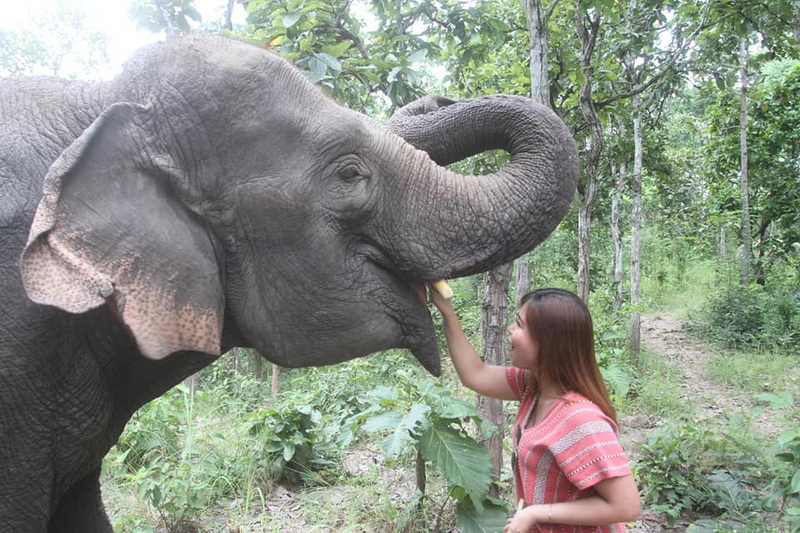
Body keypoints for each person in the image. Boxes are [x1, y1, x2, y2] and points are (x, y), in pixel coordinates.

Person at [427, 286, 641, 533]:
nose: (510, 329)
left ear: (548, 343)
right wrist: (448, 313)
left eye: (519, 325)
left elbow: (626, 506)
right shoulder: (534, 387)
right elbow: (476, 374)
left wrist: (536, 513)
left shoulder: (581, 421)